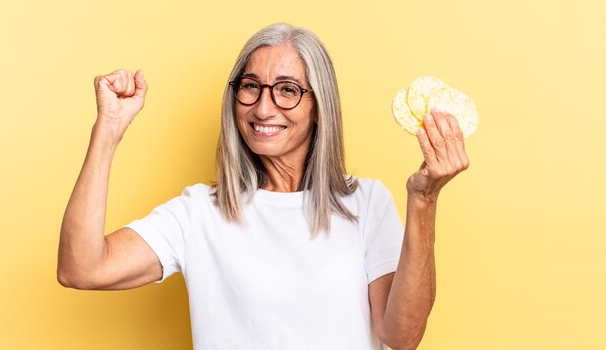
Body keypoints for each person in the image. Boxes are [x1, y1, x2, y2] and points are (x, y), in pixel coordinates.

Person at [58, 23, 469, 350]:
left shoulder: (367, 203)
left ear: (319, 107)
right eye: (251, 86)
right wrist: (108, 129)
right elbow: (82, 268)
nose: (263, 107)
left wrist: (424, 199)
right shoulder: (200, 212)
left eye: (287, 90)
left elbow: (402, 336)